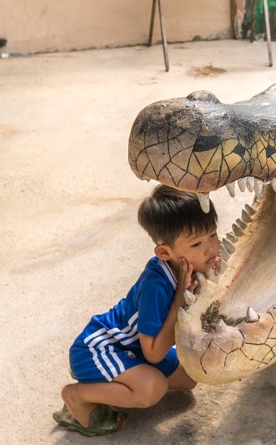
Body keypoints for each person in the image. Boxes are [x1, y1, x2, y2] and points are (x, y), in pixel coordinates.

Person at [53, 185, 221, 436]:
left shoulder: (189, 268)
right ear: (165, 252)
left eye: (213, 235)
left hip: (134, 349)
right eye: (197, 243)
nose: (210, 248)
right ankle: (76, 396)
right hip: (101, 348)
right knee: (152, 389)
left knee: (191, 377)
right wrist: (179, 302)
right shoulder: (156, 285)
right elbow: (153, 353)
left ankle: (109, 381)